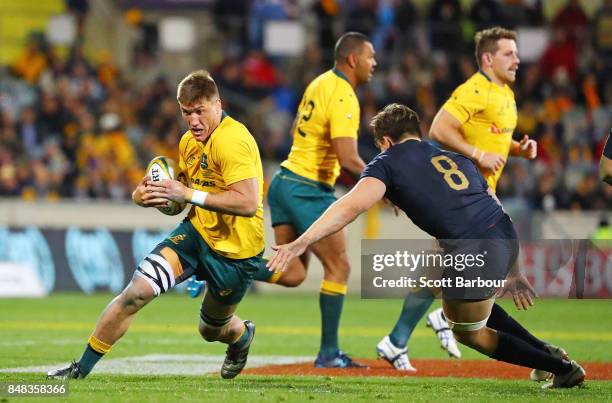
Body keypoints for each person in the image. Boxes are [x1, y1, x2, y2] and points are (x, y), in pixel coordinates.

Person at [267, 103, 586, 389]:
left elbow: (349, 207)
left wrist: (300, 243)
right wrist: (513, 268)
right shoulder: (454, 157)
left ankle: (560, 368)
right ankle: (545, 353)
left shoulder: (386, 162)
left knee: (466, 331)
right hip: (501, 235)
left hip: (471, 249)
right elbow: (495, 207)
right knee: (475, 308)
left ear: (385, 142)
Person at [47, 70, 264, 380]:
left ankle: (241, 337)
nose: (194, 121)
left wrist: (186, 193)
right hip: (196, 234)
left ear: (218, 104)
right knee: (136, 293)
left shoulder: (233, 141)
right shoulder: (189, 142)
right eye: (186, 113)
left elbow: (247, 203)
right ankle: (79, 370)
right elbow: (180, 201)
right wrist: (148, 196)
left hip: (236, 253)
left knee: (211, 328)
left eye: (200, 111)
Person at [378, 26, 540, 371]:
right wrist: (478, 153)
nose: (517, 59)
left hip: (478, 198)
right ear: (487, 58)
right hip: (464, 197)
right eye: (508, 54)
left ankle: (407, 334)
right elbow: (439, 129)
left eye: (516, 53)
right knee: (449, 269)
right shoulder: (474, 90)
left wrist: (518, 150)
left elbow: (493, 137)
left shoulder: (505, 94)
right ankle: (409, 333)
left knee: (439, 269)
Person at [251, 32, 376, 368]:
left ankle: (222, 266)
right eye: (370, 57)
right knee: (339, 267)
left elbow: (295, 131)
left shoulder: (319, 82)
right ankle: (329, 354)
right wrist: (383, 183)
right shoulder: (344, 95)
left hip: (283, 181)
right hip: (307, 188)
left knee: (291, 273)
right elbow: (349, 158)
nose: (374, 63)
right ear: (352, 59)